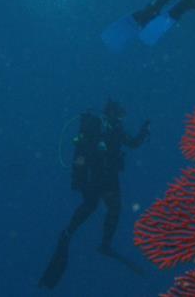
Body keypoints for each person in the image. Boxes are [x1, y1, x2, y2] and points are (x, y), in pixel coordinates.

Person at [39, 100, 150, 289]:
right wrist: (81, 176)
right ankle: (71, 234)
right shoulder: (96, 126)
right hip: (94, 177)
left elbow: (132, 143)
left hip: (107, 177)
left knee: (111, 208)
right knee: (93, 206)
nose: (120, 119)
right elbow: (83, 152)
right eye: (119, 115)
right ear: (111, 113)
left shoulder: (116, 129)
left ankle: (100, 242)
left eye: (122, 117)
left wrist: (144, 132)